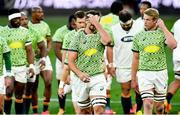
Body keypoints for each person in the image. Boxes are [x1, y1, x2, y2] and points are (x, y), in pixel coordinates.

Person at [131, 8, 177, 114]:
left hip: (161, 73)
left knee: (159, 107)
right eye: (144, 19)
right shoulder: (138, 36)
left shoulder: (162, 33)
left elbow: (173, 45)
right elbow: (135, 58)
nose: (145, 22)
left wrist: (164, 27)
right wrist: (133, 79)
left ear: (155, 20)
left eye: (148, 20)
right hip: (144, 74)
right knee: (147, 103)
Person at [68, 10, 112, 114]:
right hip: (81, 78)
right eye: (92, 21)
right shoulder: (78, 36)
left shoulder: (101, 34)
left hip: (98, 76)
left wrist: (96, 23)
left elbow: (108, 41)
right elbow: (70, 61)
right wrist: (80, 74)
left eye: (97, 21)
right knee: (85, 111)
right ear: (86, 20)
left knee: (99, 109)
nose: (94, 24)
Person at [107, 10, 142, 114]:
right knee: (125, 91)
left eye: (128, 25)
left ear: (132, 20)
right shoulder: (113, 29)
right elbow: (110, 47)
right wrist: (111, 64)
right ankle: (127, 113)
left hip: (140, 65)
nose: (126, 27)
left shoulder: (140, 25)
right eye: (124, 25)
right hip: (122, 66)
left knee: (139, 90)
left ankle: (139, 111)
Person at [0, 8, 35, 114]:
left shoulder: (25, 31)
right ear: (10, 19)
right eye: (15, 19)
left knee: (19, 95)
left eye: (19, 19)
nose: (18, 21)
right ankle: (6, 113)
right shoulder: (2, 31)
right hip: (7, 66)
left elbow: (29, 50)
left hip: (21, 67)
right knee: (9, 91)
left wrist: (31, 65)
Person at [58, 10, 86, 114]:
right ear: (75, 23)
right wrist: (66, 75)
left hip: (90, 75)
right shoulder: (69, 36)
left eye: (84, 22)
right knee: (79, 111)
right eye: (80, 23)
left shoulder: (93, 35)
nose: (82, 25)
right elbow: (65, 56)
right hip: (75, 75)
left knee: (92, 109)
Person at [20, 11, 47, 114]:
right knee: (16, 90)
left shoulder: (34, 32)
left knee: (29, 90)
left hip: (32, 65)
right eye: (22, 19)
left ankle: (25, 112)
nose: (24, 21)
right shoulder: (13, 32)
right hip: (18, 66)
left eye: (26, 19)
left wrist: (43, 59)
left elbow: (43, 46)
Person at [28, 6, 53, 114]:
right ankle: (35, 111)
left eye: (42, 12)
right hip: (32, 60)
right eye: (39, 12)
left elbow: (49, 40)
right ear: (33, 13)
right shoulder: (27, 26)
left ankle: (45, 110)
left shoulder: (45, 25)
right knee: (34, 86)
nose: (42, 14)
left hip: (44, 58)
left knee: (48, 82)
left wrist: (46, 51)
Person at [100, 1, 123, 113]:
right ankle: (107, 108)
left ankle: (105, 106)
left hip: (101, 48)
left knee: (105, 77)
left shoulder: (103, 18)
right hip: (113, 49)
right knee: (109, 77)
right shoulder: (120, 19)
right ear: (120, 10)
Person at [53, 14, 76, 115]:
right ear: (70, 22)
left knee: (77, 84)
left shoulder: (81, 31)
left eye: (77, 23)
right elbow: (57, 49)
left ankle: (79, 107)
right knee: (61, 83)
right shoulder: (61, 31)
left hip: (76, 62)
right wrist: (65, 63)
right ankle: (61, 108)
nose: (75, 25)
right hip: (62, 61)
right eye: (73, 23)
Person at [165, 19, 180, 113]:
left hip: (177, 56)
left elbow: (171, 38)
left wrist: (175, 53)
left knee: (178, 81)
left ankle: (165, 102)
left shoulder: (177, 22)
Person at [0, 35, 12, 114]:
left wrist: (7, 75)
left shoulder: (1, 40)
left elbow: (7, 58)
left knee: (0, 106)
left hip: (0, 75)